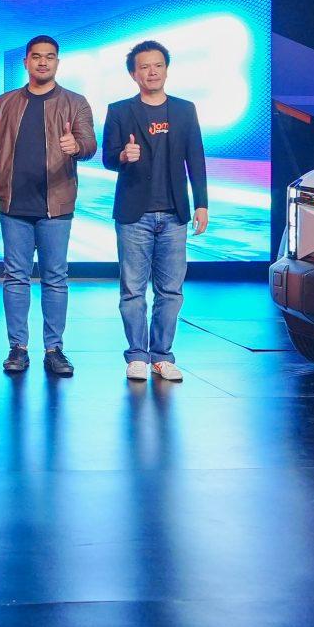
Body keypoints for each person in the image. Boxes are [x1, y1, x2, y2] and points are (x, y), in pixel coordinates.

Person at [0, 34, 95, 376]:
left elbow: (90, 144)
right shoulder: (5, 103)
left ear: (57, 62)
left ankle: (54, 349)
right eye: (36, 56)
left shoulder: (75, 102)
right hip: (13, 206)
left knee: (55, 278)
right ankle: (17, 348)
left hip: (56, 205)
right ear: (26, 62)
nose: (43, 62)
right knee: (15, 277)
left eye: (49, 56)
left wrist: (76, 146)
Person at [103, 39, 208, 383]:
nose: (152, 72)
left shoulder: (184, 110)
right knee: (133, 290)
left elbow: (196, 158)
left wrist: (202, 203)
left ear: (166, 69)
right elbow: (107, 157)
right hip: (134, 214)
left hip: (175, 214)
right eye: (144, 67)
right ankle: (137, 355)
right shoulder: (119, 111)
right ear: (134, 74)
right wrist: (123, 156)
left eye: (158, 65)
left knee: (171, 291)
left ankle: (162, 356)